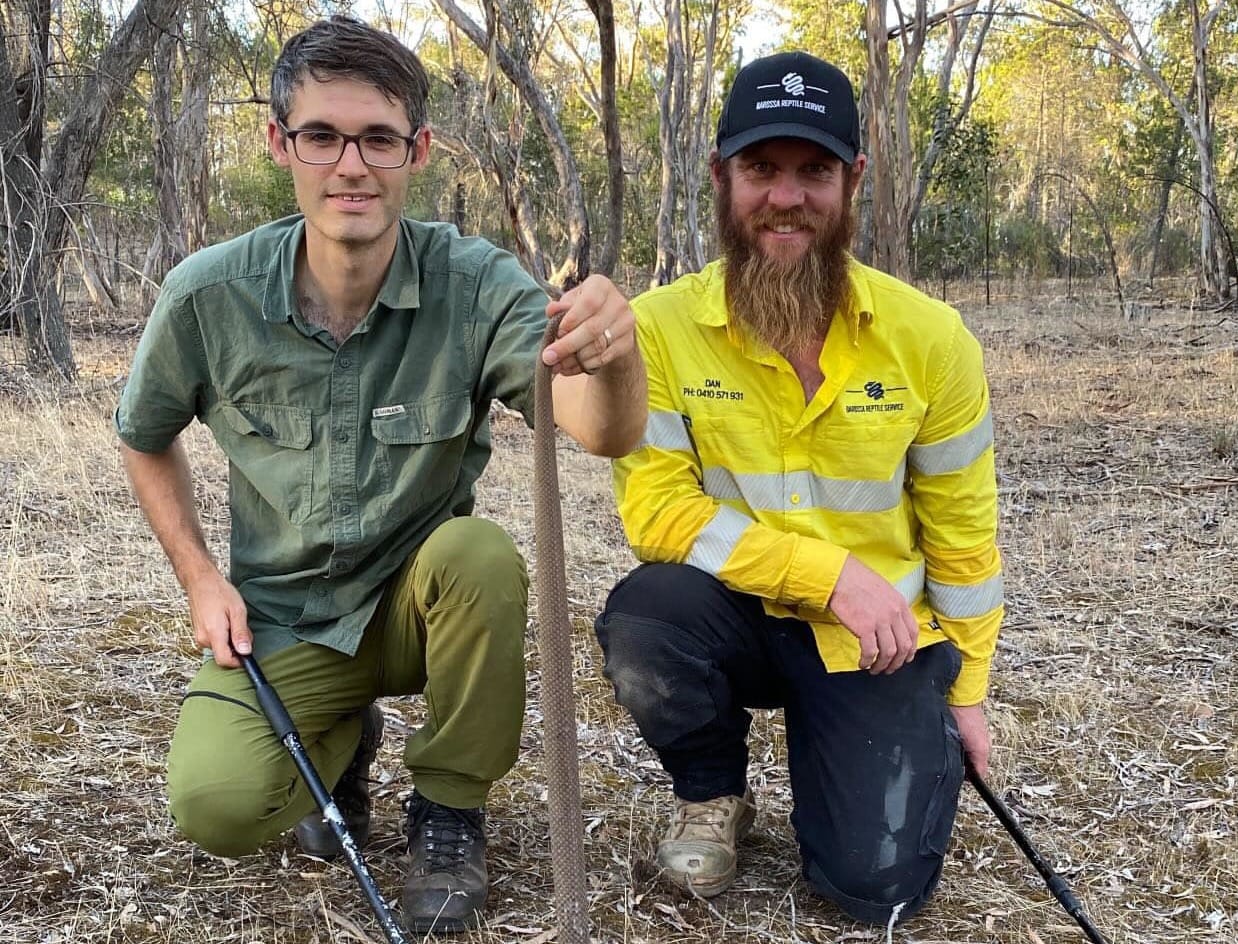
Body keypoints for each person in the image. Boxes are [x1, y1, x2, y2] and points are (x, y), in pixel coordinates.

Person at [116, 16, 644, 934]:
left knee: (478, 554)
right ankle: (340, 743)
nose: (350, 165)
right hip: (285, 620)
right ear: (280, 143)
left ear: (418, 150)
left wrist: (615, 353)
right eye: (321, 136)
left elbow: (600, 432)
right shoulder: (207, 295)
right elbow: (143, 435)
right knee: (218, 807)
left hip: (416, 612)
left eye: (377, 138)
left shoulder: (478, 286)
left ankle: (448, 809)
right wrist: (200, 579)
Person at [594, 51, 1002, 927]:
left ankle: (859, 750)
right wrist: (825, 575)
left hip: (876, 641)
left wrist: (963, 691)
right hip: (731, 613)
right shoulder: (657, 329)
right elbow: (660, 510)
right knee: (644, 616)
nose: (786, 197)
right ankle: (712, 790)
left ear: (853, 180)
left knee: (872, 889)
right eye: (760, 170)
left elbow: (962, 533)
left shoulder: (931, 339)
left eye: (813, 170)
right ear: (720, 177)